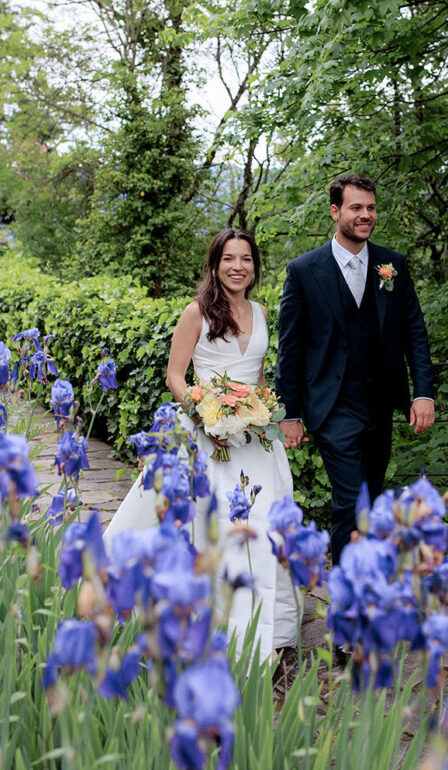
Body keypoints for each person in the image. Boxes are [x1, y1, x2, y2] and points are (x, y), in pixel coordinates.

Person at [103, 228, 300, 662]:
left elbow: (259, 377)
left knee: (262, 527)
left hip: (256, 438)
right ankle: (208, 624)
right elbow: (176, 375)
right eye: (229, 258)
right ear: (214, 265)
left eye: (246, 259)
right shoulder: (197, 313)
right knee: (217, 529)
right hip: (206, 435)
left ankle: (261, 628)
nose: (237, 266)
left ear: (254, 266)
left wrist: (271, 414)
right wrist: (202, 410)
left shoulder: (262, 312)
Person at [276, 173, 435, 564]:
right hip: (332, 407)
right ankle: (350, 592)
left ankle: (357, 583)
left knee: (371, 497)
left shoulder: (392, 265)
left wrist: (423, 391)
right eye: (356, 208)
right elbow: (290, 348)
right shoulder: (303, 271)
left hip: (380, 405)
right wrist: (289, 412)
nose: (366, 215)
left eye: (371, 208)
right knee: (352, 501)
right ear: (335, 212)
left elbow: (415, 331)